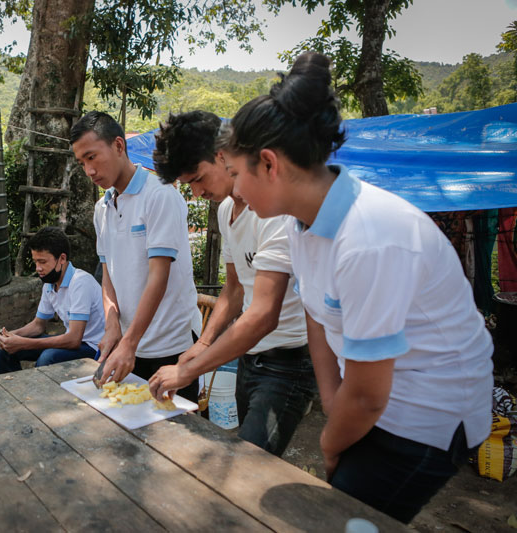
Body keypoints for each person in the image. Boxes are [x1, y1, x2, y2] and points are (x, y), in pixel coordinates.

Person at [224, 51, 493, 522]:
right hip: (372, 400)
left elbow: (369, 395)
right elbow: (315, 312)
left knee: (341, 517)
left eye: (236, 174)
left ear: (268, 164)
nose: (235, 190)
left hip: (428, 415)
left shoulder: (370, 238)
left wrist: (331, 444)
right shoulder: (299, 224)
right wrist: (332, 406)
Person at [148, 111, 317, 456]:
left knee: (248, 460)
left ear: (222, 155)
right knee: (248, 455)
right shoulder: (226, 211)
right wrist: (205, 341)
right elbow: (234, 289)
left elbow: (263, 315)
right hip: (249, 359)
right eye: (188, 184)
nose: (196, 193)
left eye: (198, 178)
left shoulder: (274, 213)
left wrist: (190, 370)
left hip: (287, 362)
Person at [71, 111, 201, 401]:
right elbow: (108, 274)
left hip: (172, 345)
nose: (88, 171)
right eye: (82, 163)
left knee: (178, 436)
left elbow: (159, 275)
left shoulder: (160, 195)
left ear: (119, 146)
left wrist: (129, 341)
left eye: (92, 157)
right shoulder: (101, 209)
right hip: (131, 345)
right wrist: (112, 321)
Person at [0, 227, 105, 373]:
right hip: (73, 341)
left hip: (93, 347)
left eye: (42, 262)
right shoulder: (49, 283)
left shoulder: (80, 282)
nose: (38, 268)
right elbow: (38, 325)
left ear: (62, 259)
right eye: (35, 262)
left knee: (48, 358)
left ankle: (36, 395)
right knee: (4, 349)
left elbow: (73, 339)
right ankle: (13, 390)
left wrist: (24, 343)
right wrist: (11, 335)